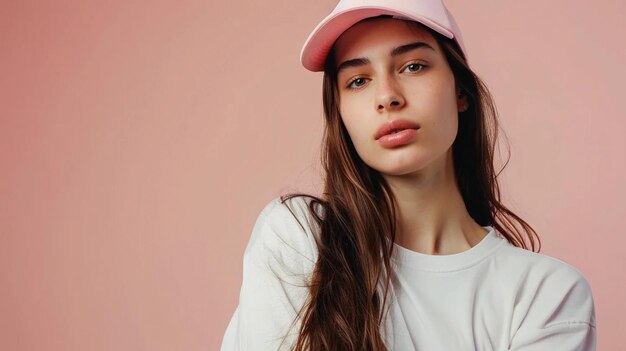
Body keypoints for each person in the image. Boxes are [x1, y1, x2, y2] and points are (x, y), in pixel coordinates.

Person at [220, 0, 597, 350]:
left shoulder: (545, 295)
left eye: (413, 66)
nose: (387, 96)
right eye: (358, 81)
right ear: (341, 115)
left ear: (460, 90)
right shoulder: (300, 238)